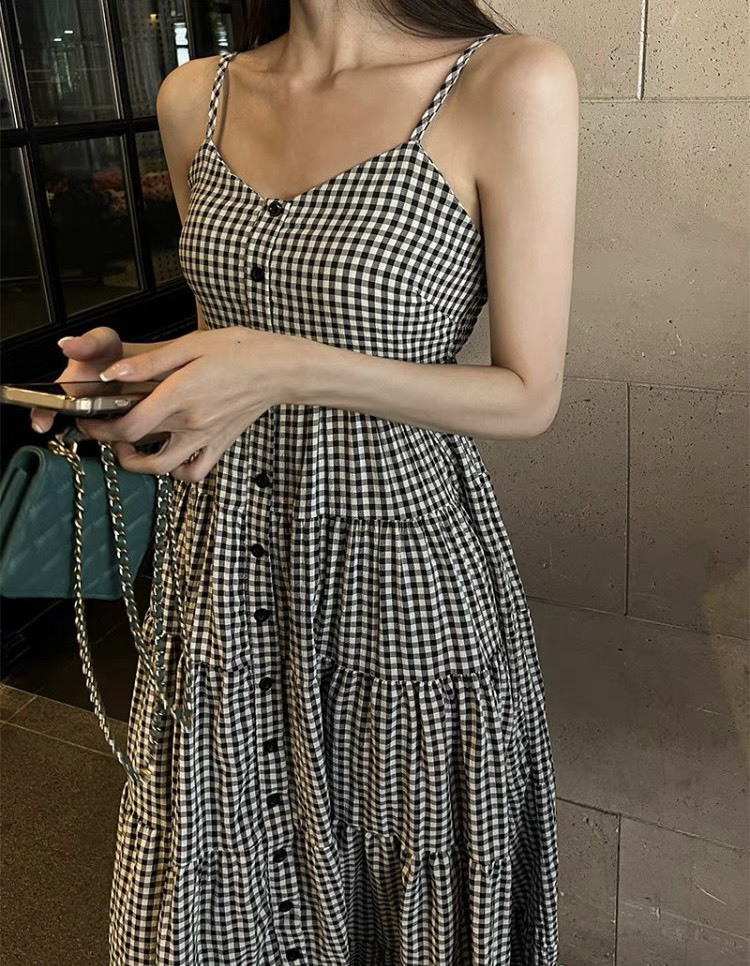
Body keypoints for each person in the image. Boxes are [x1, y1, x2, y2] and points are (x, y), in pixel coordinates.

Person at [31, 1, 579, 962]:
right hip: (227, 563)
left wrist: (283, 365)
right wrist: (142, 377)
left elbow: (529, 394)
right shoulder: (196, 96)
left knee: (401, 877)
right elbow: (231, 341)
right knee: (221, 867)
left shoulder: (506, 81)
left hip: (399, 570)